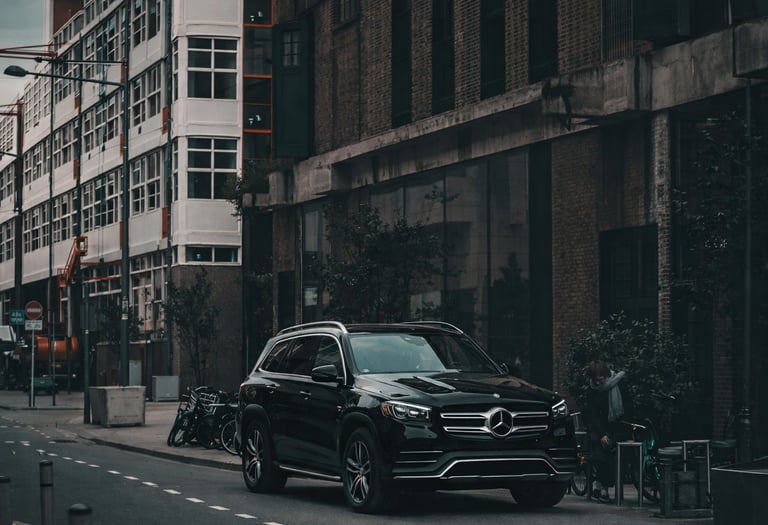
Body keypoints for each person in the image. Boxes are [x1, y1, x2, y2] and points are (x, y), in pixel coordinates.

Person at [582, 360, 632, 503]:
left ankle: (601, 483)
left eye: (601, 379)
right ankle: (603, 486)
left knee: (614, 450)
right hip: (601, 428)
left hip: (618, 426)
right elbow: (592, 414)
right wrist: (601, 433)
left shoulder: (619, 383)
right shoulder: (591, 390)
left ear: (606, 374)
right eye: (595, 380)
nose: (598, 383)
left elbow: (627, 405)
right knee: (603, 449)